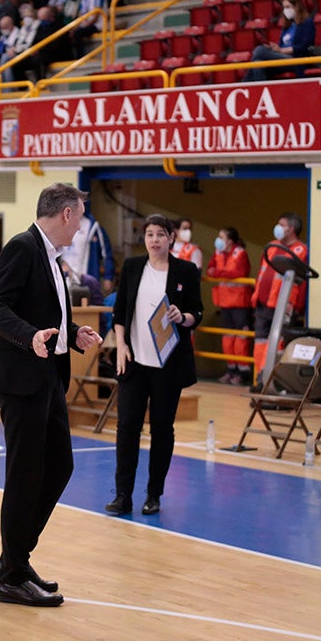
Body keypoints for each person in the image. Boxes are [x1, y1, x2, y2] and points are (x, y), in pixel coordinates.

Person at [0, 182, 102, 607]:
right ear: (66, 214)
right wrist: (30, 336)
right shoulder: (22, 247)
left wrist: (72, 333)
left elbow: (45, 311)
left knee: (60, 466)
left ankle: (15, 558)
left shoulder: (51, 255)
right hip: (20, 378)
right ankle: (12, 575)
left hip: (47, 372)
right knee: (25, 474)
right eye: (81, 215)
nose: (81, 224)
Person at [105, 214, 203, 516]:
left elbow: (196, 312)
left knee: (162, 429)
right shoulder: (134, 267)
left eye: (161, 234)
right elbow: (119, 312)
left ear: (171, 238)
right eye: (149, 234)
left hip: (168, 365)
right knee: (127, 429)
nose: (155, 240)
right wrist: (120, 346)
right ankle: (123, 495)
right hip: (134, 362)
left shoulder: (185, 270)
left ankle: (154, 494)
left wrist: (181, 317)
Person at [250, 211, 307, 390]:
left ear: (291, 228)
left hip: (283, 305)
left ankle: (268, 379)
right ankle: (259, 379)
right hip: (262, 302)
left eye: (281, 224)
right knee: (260, 342)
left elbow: (303, 281)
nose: (278, 227)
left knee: (276, 343)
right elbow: (262, 271)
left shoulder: (301, 249)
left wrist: (296, 307)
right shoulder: (272, 245)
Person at [206, 227, 253, 385]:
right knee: (227, 339)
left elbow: (239, 272)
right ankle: (231, 370)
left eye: (221, 237)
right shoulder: (218, 252)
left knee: (241, 339)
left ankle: (243, 372)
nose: (218, 239)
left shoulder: (240, 253)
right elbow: (210, 269)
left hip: (240, 303)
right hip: (224, 302)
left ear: (230, 241)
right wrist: (218, 272)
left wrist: (219, 272)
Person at [243, 0, 314, 82]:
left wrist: (281, 51)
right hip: (282, 57)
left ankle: (243, 83)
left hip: (296, 59)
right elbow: (281, 45)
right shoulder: (288, 25)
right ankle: (261, 93)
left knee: (259, 50)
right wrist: (275, 48)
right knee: (257, 63)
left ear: (297, 6)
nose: (285, 10)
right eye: (284, 8)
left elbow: (304, 46)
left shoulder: (307, 23)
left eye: (288, 7)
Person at [60, 208, 114, 293]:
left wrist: (108, 276)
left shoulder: (93, 226)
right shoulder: (60, 223)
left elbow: (106, 253)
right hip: (64, 279)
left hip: (85, 280)